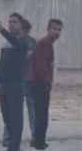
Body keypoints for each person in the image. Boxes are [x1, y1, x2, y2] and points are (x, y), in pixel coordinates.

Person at [0, 13, 29, 151]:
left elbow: (16, 43)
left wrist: (1, 30)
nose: (12, 24)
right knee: (7, 118)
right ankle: (13, 145)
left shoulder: (23, 41)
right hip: (4, 86)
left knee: (16, 118)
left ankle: (14, 147)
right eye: (10, 21)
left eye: (15, 22)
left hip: (16, 86)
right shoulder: (6, 43)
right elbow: (2, 65)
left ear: (21, 25)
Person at [27, 18, 63, 150]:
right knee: (42, 115)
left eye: (59, 30)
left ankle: (38, 141)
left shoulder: (48, 43)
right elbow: (40, 66)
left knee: (41, 114)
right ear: (48, 29)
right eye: (54, 29)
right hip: (39, 83)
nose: (57, 32)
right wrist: (47, 82)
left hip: (39, 83)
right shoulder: (44, 43)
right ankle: (39, 143)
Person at [1, 18, 37, 146]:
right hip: (30, 81)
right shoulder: (32, 42)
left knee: (13, 111)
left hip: (19, 82)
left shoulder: (17, 42)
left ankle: (8, 136)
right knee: (31, 109)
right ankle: (35, 136)